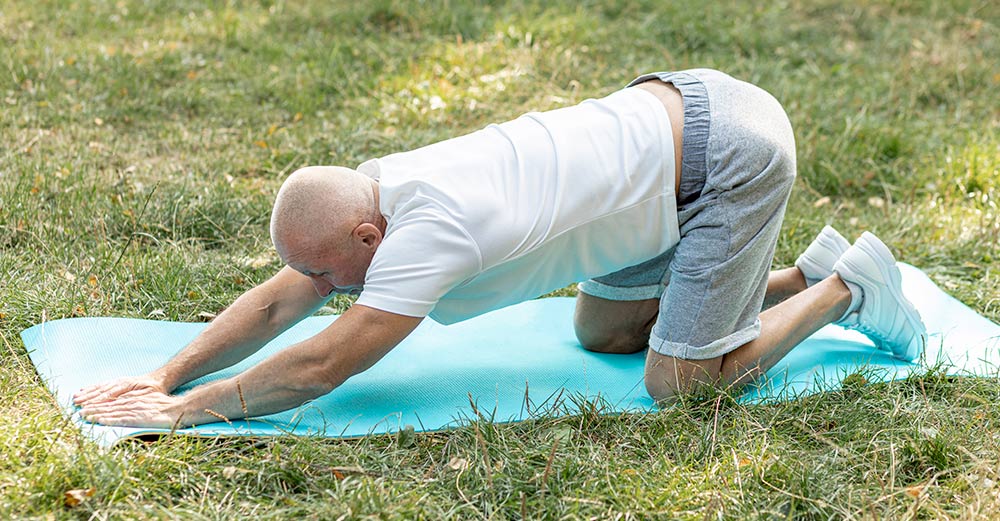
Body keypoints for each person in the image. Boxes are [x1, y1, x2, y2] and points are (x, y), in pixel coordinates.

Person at [74, 69, 927, 428]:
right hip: (669, 132)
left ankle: (846, 287)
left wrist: (193, 409)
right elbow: (279, 301)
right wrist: (161, 373)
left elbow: (321, 364)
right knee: (605, 334)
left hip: (728, 157)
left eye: (329, 270)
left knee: (680, 384)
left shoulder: (424, 233)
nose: (316, 286)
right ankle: (800, 271)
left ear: (368, 236)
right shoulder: (374, 193)